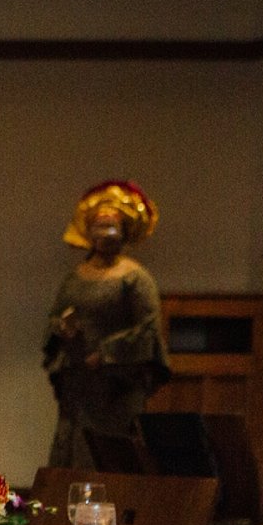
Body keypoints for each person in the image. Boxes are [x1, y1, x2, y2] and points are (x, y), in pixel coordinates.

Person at [44, 179, 169, 470]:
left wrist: (106, 353)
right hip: (79, 384)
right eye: (99, 228)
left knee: (111, 457)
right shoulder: (76, 275)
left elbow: (148, 329)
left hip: (117, 387)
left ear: (124, 231)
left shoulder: (136, 278)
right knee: (73, 451)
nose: (105, 235)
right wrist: (62, 329)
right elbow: (56, 315)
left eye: (112, 228)